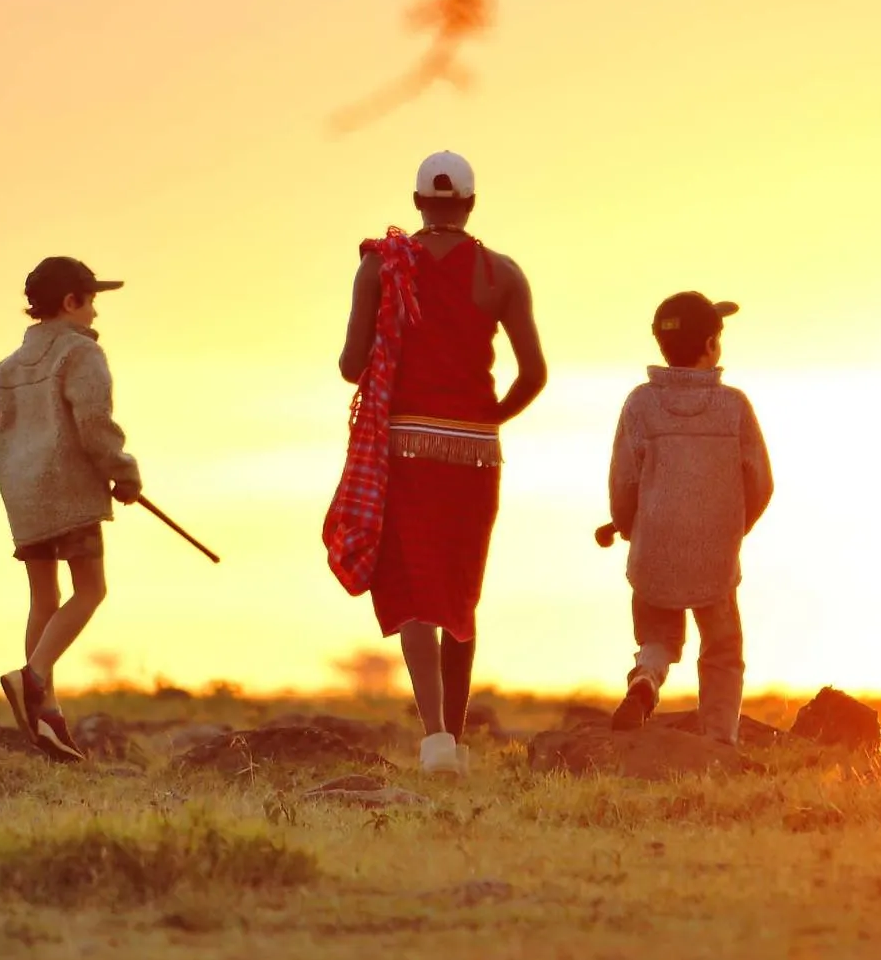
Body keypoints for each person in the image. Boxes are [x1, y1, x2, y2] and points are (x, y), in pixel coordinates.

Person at [329, 151, 547, 771]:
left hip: (405, 447)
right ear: (471, 204)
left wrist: (392, 341)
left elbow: (351, 366)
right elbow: (534, 374)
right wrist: (488, 419)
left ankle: (436, 739)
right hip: (476, 455)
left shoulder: (382, 265)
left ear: (419, 202)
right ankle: (452, 733)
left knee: (414, 588)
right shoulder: (501, 273)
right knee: (458, 588)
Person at [0, 254, 144, 760]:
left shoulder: (6, 369)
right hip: (69, 496)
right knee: (92, 589)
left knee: (44, 600)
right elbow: (95, 423)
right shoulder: (81, 355)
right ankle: (33, 680)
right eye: (91, 301)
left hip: (24, 501)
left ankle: (45, 714)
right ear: (70, 302)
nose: (95, 313)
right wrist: (123, 474)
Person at [595, 291, 773, 743]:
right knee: (722, 648)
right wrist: (732, 527)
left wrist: (631, 528)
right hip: (715, 553)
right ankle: (718, 739)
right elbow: (761, 483)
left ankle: (646, 679)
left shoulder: (640, 404)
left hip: (654, 546)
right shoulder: (733, 407)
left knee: (657, 637)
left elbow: (623, 482)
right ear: (712, 344)